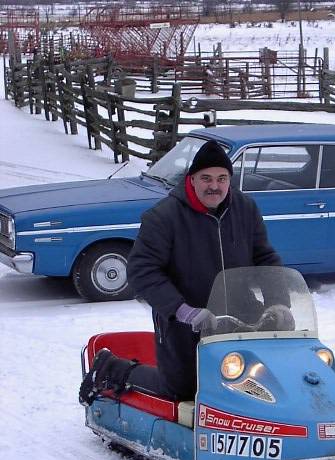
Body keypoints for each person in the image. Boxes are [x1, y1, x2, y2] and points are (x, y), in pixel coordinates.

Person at [79, 140, 290, 406]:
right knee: (182, 389)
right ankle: (110, 369)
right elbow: (142, 271)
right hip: (183, 321)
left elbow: (265, 257)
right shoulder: (163, 217)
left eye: (222, 178)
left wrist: (279, 302)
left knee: (253, 380)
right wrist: (184, 311)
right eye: (206, 178)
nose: (215, 186)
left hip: (242, 315)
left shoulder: (245, 209)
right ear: (191, 180)